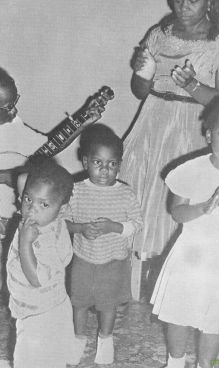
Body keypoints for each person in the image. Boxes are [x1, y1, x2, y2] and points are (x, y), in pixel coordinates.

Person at [119, 0, 219, 299]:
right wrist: (141, 71)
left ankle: (176, 280)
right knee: (143, 193)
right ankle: (134, 281)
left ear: (210, 1)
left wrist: (193, 85)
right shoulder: (159, 34)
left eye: (192, 1)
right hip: (153, 119)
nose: (183, 8)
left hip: (193, 122)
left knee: (183, 197)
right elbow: (139, 90)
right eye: (177, 0)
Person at [0, 62, 102, 362]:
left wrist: (80, 123)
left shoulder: (8, 120)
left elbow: (43, 149)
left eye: (16, 102)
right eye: (6, 106)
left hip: (11, 207)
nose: (14, 111)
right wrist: (2, 177)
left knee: (49, 219)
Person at [150, 94, 219, 368]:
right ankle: (175, 362)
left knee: (213, 323)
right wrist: (203, 208)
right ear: (208, 134)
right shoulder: (191, 170)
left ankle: (204, 365)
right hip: (190, 255)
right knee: (178, 316)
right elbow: (177, 212)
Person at [66, 124, 143, 365]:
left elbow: (137, 224)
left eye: (112, 164)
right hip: (83, 258)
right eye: (98, 163)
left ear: (119, 164)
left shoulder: (126, 193)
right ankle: (78, 339)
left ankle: (105, 340)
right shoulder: (76, 191)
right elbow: (63, 222)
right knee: (79, 302)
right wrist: (80, 229)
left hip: (113, 261)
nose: (104, 170)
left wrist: (114, 227)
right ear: (86, 161)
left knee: (107, 305)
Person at [6, 158, 78, 368]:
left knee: (29, 360)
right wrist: (34, 186)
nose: (31, 209)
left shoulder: (39, 238)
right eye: (27, 199)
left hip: (38, 312)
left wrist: (25, 243)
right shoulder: (55, 220)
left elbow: (36, 278)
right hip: (56, 302)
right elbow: (24, 181)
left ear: (62, 208)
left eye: (43, 204)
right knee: (54, 355)